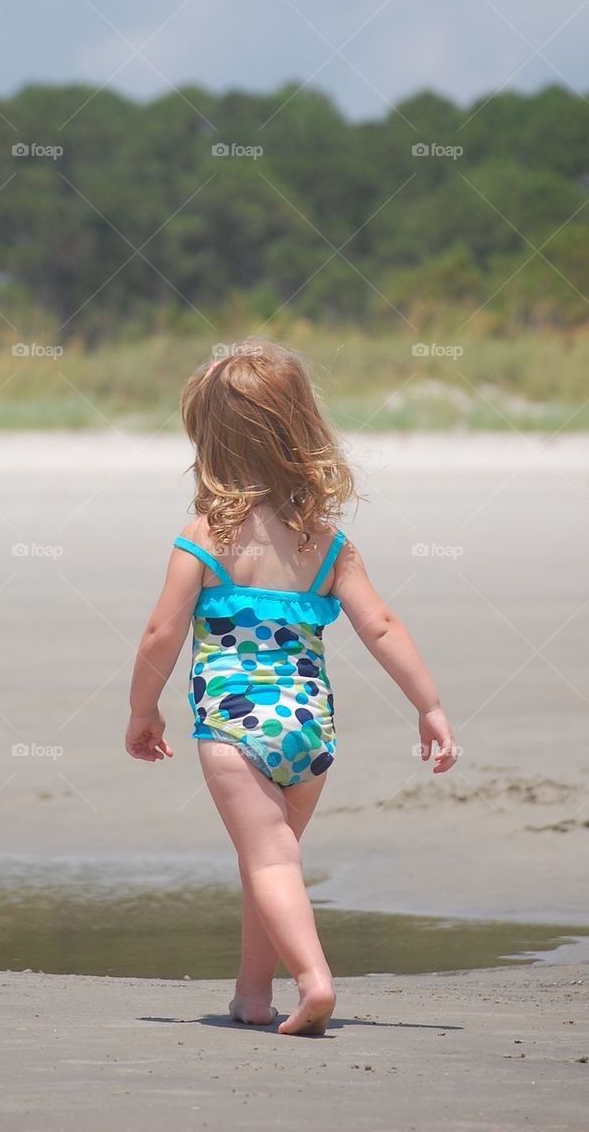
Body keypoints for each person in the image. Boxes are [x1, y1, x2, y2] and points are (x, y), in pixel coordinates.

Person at [125, 338, 458, 1036]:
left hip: (234, 730)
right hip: (308, 732)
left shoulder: (202, 539)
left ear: (210, 444)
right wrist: (427, 706)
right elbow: (384, 627)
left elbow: (160, 634)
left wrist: (142, 711)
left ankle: (314, 983)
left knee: (269, 858)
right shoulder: (328, 545)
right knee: (267, 859)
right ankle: (251, 995)